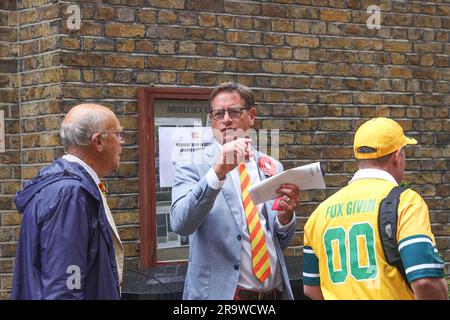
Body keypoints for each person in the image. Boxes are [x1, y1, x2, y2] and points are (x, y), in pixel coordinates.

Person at [170, 82, 301, 300]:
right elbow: (180, 224)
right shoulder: (193, 164)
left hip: (273, 294)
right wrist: (217, 172)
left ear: (251, 115)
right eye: (218, 114)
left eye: (234, 111)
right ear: (211, 120)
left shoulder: (271, 166)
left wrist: (285, 218)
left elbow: (277, 241)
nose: (226, 119)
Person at [303, 117, 448, 300]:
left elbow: (311, 289)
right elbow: (424, 280)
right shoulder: (406, 202)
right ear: (397, 156)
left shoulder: (319, 214)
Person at [12, 104, 124, 299]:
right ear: (98, 141)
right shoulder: (70, 194)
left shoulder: (63, 186)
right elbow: (64, 286)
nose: (122, 142)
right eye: (118, 134)